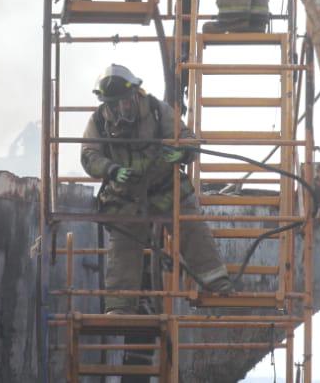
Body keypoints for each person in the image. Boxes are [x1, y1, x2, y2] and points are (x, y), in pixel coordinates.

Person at [80, 64, 233, 314]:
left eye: (126, 102)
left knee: (191, 227)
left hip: (164, 187)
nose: (122, 109)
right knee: (123, 245)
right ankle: (120, 305)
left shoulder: (156, 110)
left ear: (135, 94)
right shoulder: (98, 120)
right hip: (125, 194)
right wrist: (111, 170)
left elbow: (187, 137)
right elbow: (89, 154)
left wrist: (181, 152)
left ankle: (217, 283)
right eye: (115, 104)